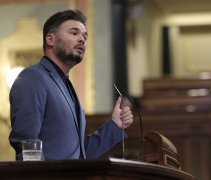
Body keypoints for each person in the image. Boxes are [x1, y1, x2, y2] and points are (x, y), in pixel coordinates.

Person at [9, 9, 133, 160]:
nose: (82, 39)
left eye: (84, 36)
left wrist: (114, 125)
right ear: (50, 39)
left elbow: (80, 155)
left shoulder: (67, 87)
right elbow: (27, 144)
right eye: (74, 33)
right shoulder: (33, 78)